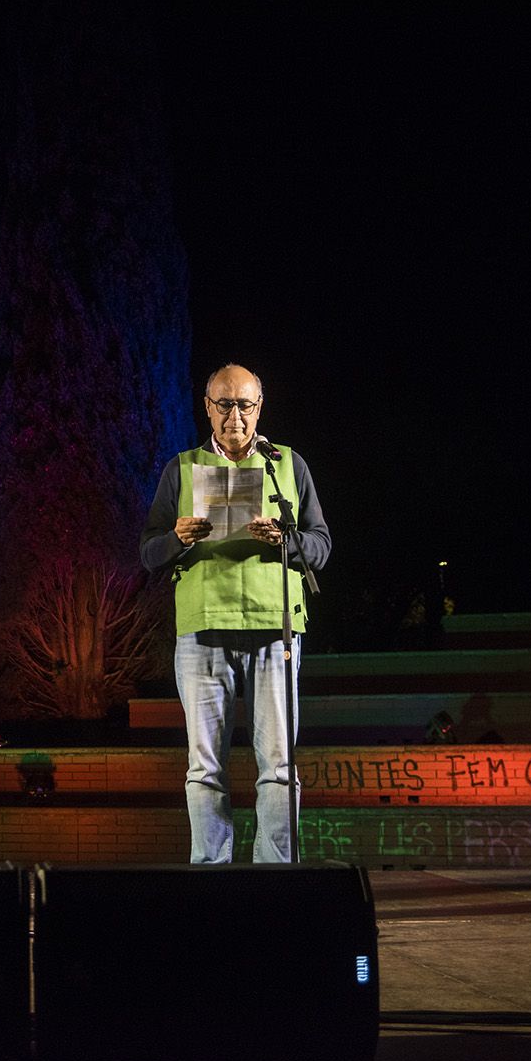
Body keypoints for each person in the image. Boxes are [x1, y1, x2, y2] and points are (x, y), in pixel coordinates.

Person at [139, 363, 331, 863]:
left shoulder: (286, 463)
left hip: (276, 626)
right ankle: (212, 873)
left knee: (279, 764)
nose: (235, 415)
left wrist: (285, 539)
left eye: (245, 404)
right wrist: (177, 540)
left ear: (259, 408)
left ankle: (275, 875)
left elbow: (321, 545)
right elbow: (148, 552)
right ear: (207, 407)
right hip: (203, 630)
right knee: (204, 767)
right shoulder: (181, 467)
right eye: (224, 404)